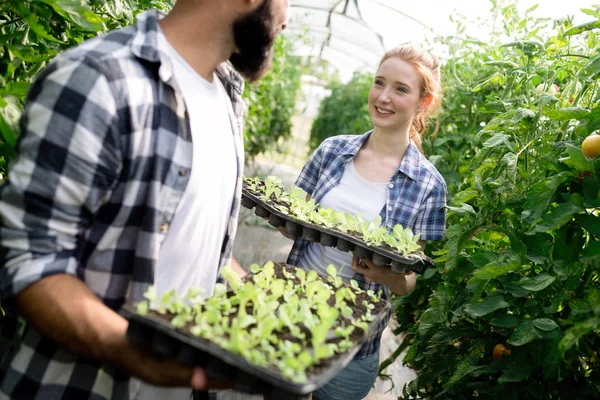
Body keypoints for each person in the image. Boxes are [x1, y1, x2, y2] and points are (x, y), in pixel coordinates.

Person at [0, 0, 289, 399]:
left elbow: (200, 246)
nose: (287, 18)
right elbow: (28, 261)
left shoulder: (227, 97)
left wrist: (263, 299)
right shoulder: (99, 80)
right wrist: (137, 354)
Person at [286, 46, 447, 400]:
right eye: (379, 83)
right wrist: (290, 221)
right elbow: (291, 216)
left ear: (424, 101)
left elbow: (408, 279)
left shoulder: (428, 185)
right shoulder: (332, 151)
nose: (383, 97)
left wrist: (384, 275)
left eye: (401, 89)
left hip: (352, 340)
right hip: (291, 315)